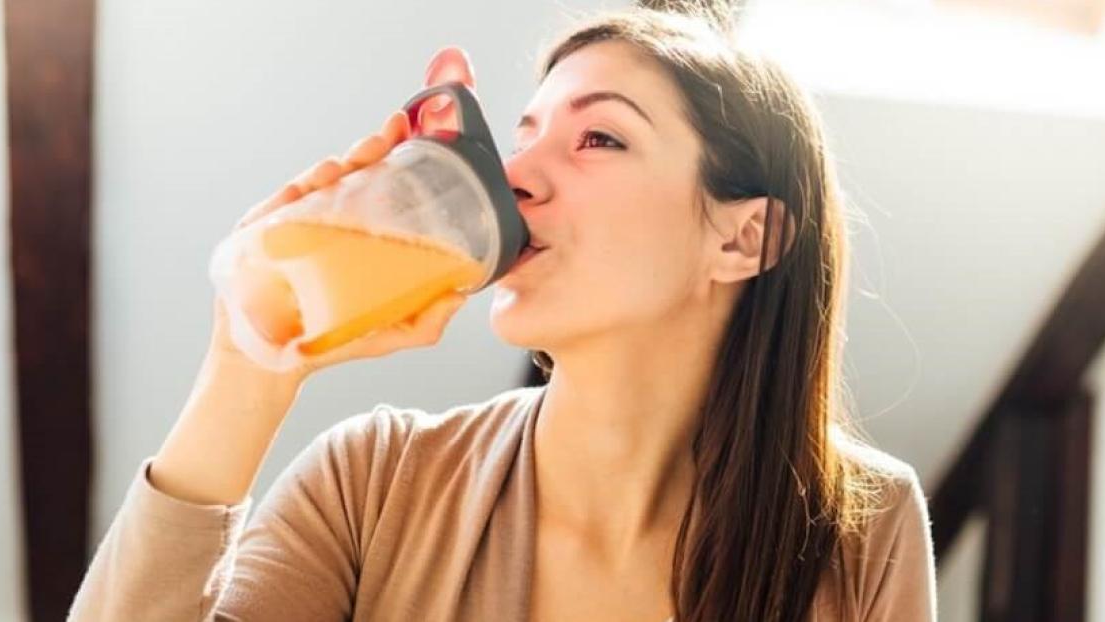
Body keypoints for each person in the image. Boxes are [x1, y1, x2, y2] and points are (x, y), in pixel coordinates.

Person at [71, 7, 935, 621]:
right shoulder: (373, 485)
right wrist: (248, 366)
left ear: (744, 240)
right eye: (524, 135)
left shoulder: (861, 530)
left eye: (599, 138)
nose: (516, 175)